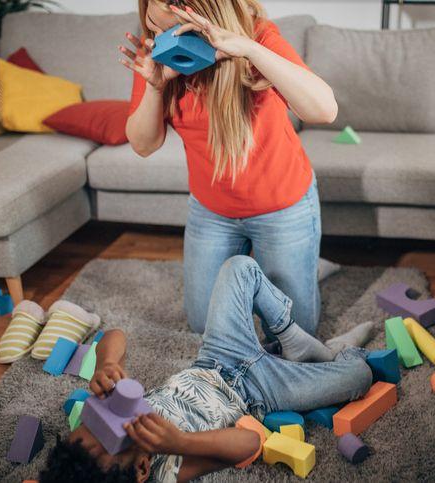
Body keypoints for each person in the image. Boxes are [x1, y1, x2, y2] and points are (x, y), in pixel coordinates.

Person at [39, 256, 374, 482]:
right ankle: (334, 351)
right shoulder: (165, 467)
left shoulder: (105, 408)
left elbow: (114, 336)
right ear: (141, 468)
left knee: (238, 266)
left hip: (217, 358)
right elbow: (248, 443)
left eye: (93, 425)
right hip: (261, 393)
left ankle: (290, 338)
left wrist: (107, 363)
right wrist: (181, 441)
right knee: (360, 376)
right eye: (116, 439)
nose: (109, 424)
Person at [121, 0, 338, 335]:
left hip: (282, 207)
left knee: (294, 334)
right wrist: (155, 87)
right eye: (153, 27)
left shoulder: (258, 37)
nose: (162, 39)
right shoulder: (156, 56)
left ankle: (302, 267)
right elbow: (143, 145)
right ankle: (275, 273)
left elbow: (325, 111)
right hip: (212, 213)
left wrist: (248, 49)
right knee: (202, 326)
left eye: (173, 31)